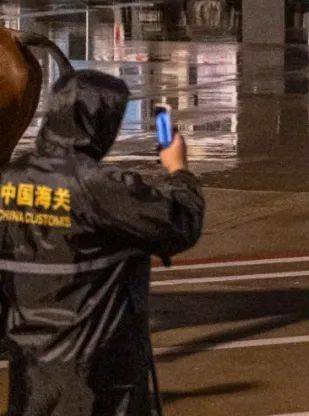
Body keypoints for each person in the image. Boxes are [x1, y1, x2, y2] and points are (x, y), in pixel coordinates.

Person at [0, 70, 204, 416]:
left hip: (31, 378)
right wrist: (179, 170)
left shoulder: (10, 181)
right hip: (97, 384)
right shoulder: (98, 187)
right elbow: (180, 222)